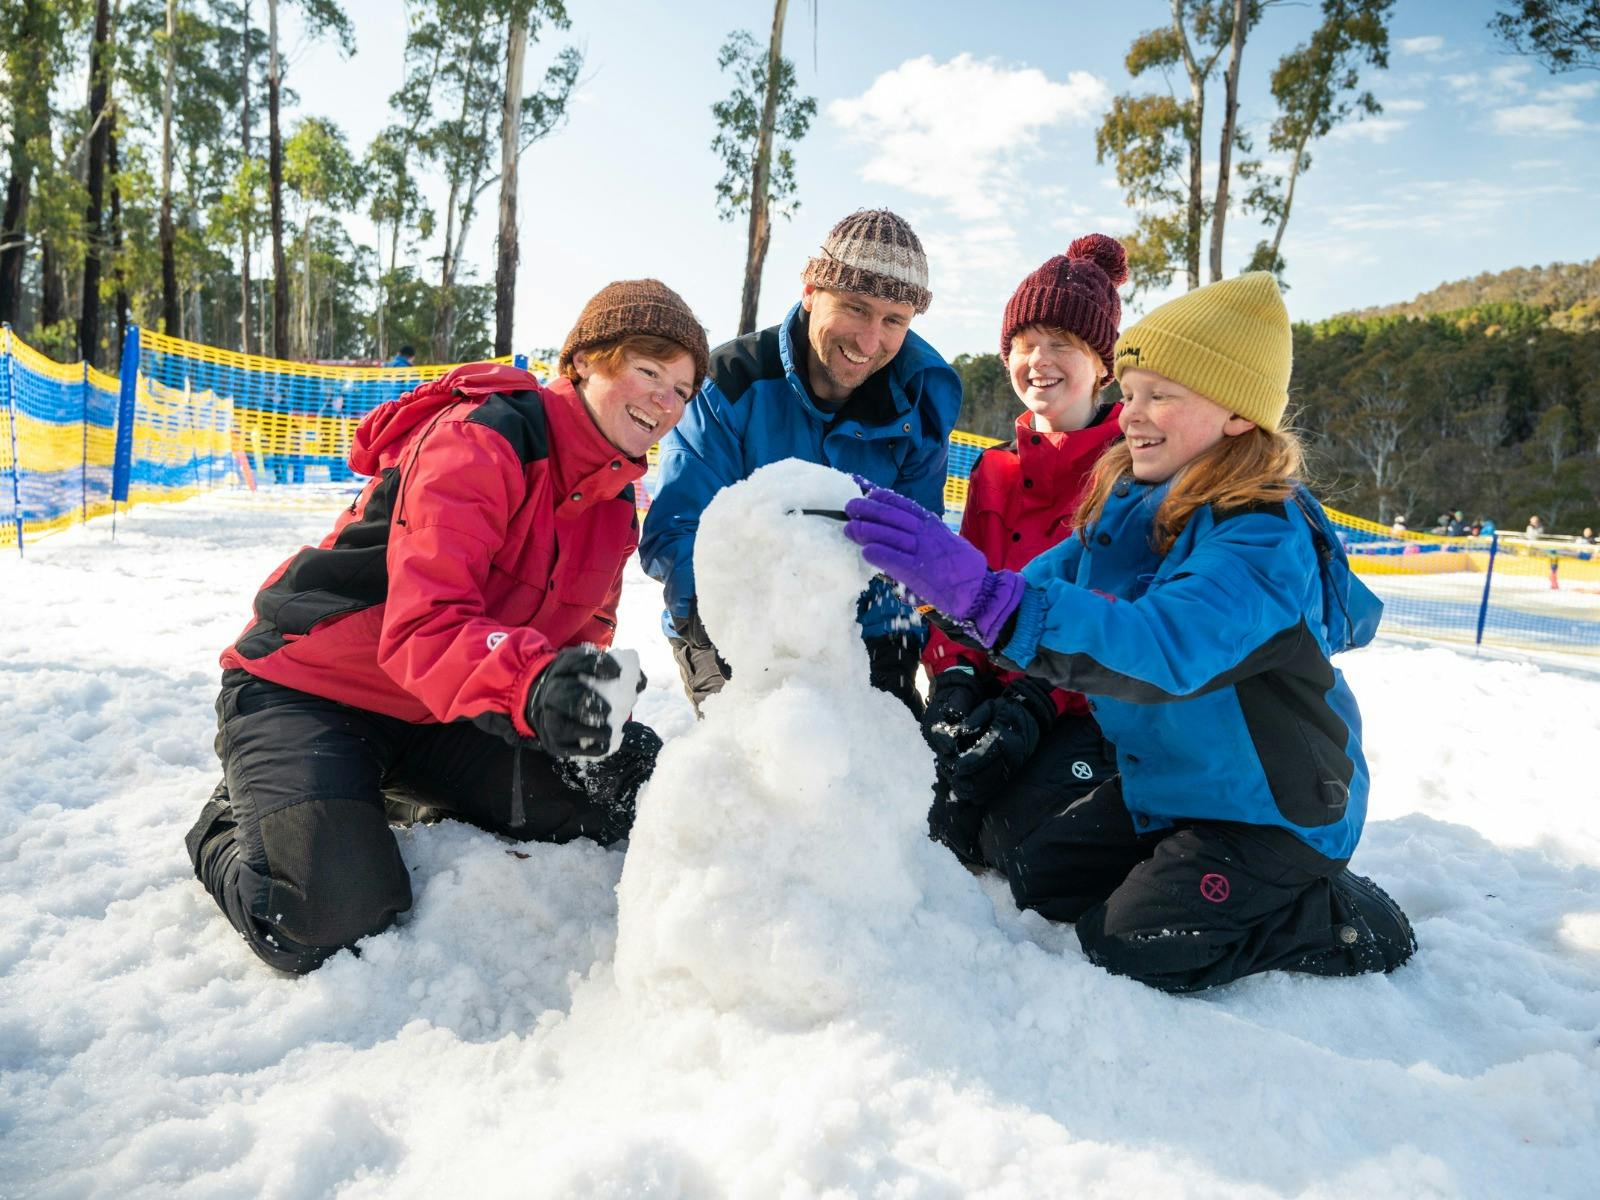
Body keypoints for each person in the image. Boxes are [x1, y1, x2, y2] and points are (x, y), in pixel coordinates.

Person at [843, 272, 1417, 993]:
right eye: (1133, 392)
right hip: (1171, 781)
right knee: (1032, 869)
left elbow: (1161, 646)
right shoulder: (1132, 503)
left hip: (1270, 813)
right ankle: (1186, 875)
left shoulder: (1262, 540)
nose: (1131, 416)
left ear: (1238, 415)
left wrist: (984, 596)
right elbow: (1039, 587)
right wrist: (938, 579)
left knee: (1127, 946)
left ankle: (1329, 912)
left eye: (1162, 397)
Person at [185, 279, 711, 974]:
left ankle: (382, 790)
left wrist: (583, 690)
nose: (664, 404)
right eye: (649, 373)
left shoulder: (613, 508)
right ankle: (237, 813)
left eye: (682, 391)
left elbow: (572, 646)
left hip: (443, 712)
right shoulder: (483, 440)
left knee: (626, 785)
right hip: (313, 689)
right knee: (329, 913)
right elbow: (423, 628)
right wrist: (533, 683)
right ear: (585, 360)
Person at [641, 209, 961, 716]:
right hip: (729, 618)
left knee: (883, 768)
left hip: (859, 629)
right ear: (812, 290)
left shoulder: (920, 406)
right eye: (856, 308)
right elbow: (677, 531)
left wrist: (892, 657)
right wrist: (737, 630)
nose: (869, 341)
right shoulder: (730, 383)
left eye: (893, 320)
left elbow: (911, 550)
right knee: (762, 759)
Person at [919, 234, 1128, 868]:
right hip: (999, 688)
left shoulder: (1133, 469)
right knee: (934, 818)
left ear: (1103, 365)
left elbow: (1129, 618)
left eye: (1062, 343)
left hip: (1090, 704)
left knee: (1020, 845)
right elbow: (965, 586)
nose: (1039, 360)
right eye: (1024, 343)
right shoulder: (994, 470)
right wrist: (955, 676)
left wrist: (1039, 700)